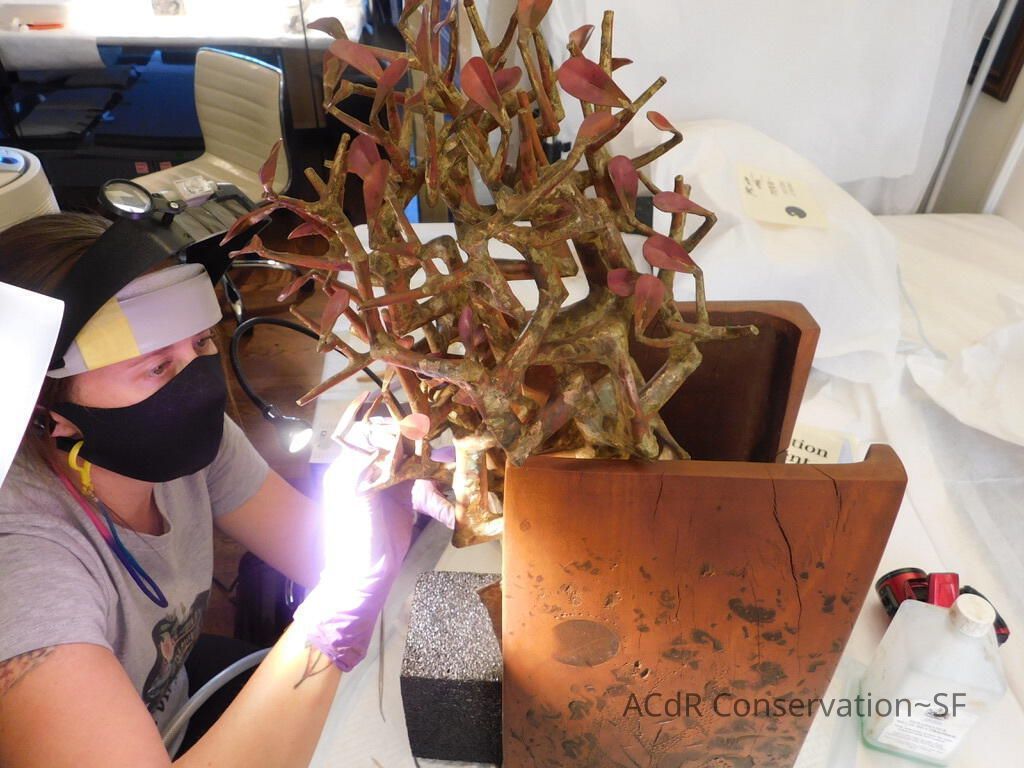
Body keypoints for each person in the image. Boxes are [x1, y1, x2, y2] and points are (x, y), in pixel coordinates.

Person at [0, 212, 450, 767]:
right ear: (47, 408)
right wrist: (332, 619)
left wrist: (385, 493)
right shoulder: (23, 569)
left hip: (174, 704)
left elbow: (313, 552)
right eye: (157, 366)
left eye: (200, 343)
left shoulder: (186, 440)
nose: (197, 383)